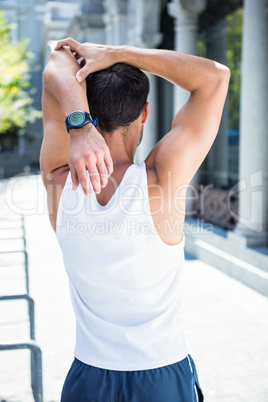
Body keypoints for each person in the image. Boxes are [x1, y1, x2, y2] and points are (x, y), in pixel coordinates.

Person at [40, 37, 230, 402]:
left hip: (88, 378)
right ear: (144, 113)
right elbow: (215, 77)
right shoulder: (161, 178)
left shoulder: (59, 178)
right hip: (162, 375)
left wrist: (79, 125)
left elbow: (58, 58)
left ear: (85, 109)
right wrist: (121, 53)